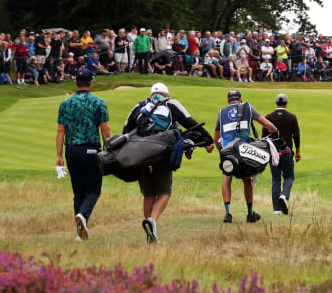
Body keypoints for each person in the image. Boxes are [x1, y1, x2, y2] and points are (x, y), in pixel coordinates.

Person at [122, 82, 211, 243]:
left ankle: (149, 227)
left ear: (151, 95)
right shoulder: (171, 103)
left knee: (148, 194)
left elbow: (126, 131)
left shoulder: (140, 106)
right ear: (166, 94)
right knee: (164, 192)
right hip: (161, 153)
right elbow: (190, 122)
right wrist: (208, 140)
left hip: (141, 156)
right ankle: (152, 221)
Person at [56, 68, 111, 241]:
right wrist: (110, 149)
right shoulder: (98, 102)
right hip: (91, 150)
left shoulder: (65, 104)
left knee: (79, 192)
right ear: (91, 83)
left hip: (71, 150)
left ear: (76, 83)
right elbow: (105, 128)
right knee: (93, 190)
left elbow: (60, 130)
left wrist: (59, 156)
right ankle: (83, 217)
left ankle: (80, 233)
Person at [214, 89, 278, 223]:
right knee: (247, 179)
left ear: (228, 101)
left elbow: (216, 138)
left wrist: (222, 151)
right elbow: (265, 123)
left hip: (227, 150)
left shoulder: (221, 112)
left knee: (226, 179)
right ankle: (249, 214)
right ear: (240, 99)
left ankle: (228, 213)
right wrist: (275, 130)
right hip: (243, 149)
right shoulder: (247, 107)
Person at [261, 93, 301, 215]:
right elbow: (296, 136)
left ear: (276, 103)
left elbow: (264, 138)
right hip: (286, 153)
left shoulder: (268, 117)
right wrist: (298, 152)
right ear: (286, 103)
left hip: (273, 154)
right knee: (289, 177)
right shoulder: (292, 117)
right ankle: (284, 195)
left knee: (276, 179)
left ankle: (277, 210)